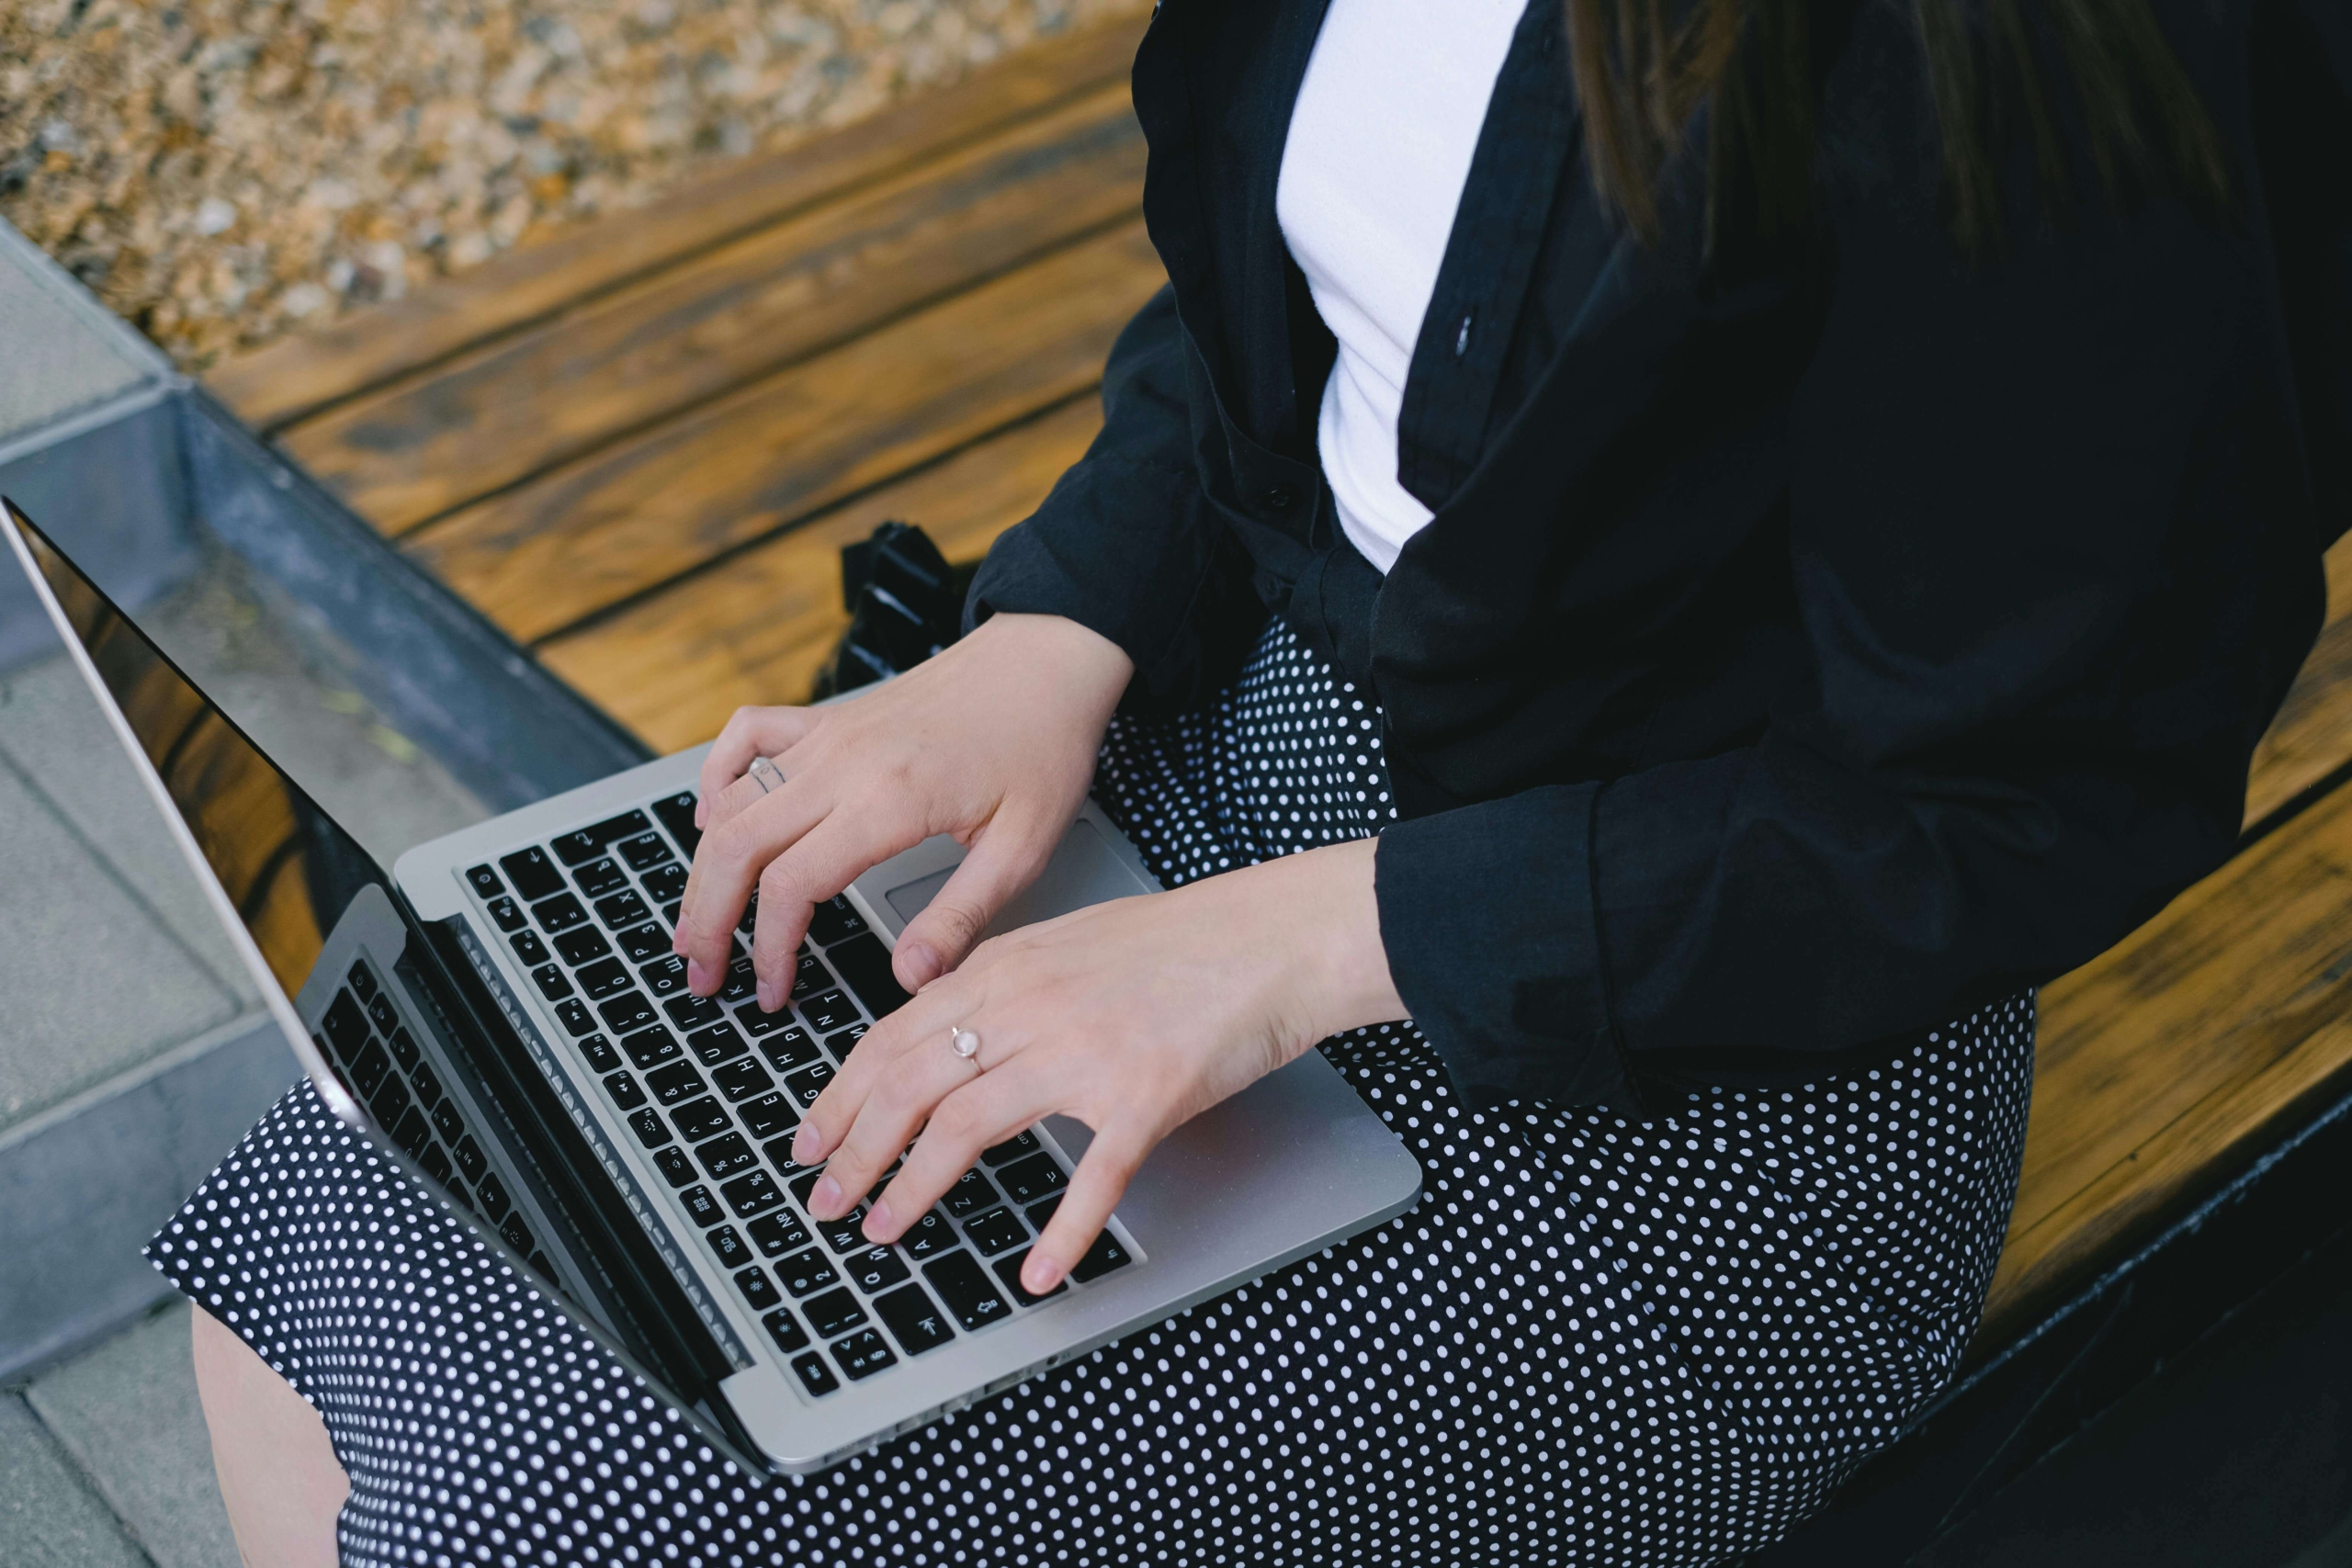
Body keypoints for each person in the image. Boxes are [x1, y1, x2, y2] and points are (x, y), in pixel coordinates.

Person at [172, 0, 2351, 1562]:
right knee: (345, 1178)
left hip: (1705, 1079)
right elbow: (1295, 314)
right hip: (1242, 743)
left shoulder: (2069, 47)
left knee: (552, 1510)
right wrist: (1045, 633)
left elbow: (2027, 794)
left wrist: (1303, 938)